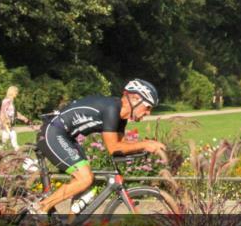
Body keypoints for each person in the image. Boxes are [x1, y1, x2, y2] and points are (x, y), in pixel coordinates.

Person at [31, 79, 167, 214]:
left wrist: (145, 146)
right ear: (135, 99)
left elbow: (121, 145)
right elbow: (113, 148)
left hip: (67, 137)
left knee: (83, 187)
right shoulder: (111, 109)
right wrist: (145, 145)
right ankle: (41, 207)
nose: (148, 113)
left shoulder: (121, 117)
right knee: (85, 178)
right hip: (53, 132)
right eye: (148, 107)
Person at [0, 86, 29, 151]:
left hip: (9, 122)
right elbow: (3, 111)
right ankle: (16, 148)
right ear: (12, 92)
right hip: (6, 122)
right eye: (16, 91)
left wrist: (23, 118)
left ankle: (0, 150)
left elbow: (14, 113)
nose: (17, 93)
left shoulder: (11, 102)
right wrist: (6, 121)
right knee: (12, 134)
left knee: (6, 136)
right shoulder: (6, 101)